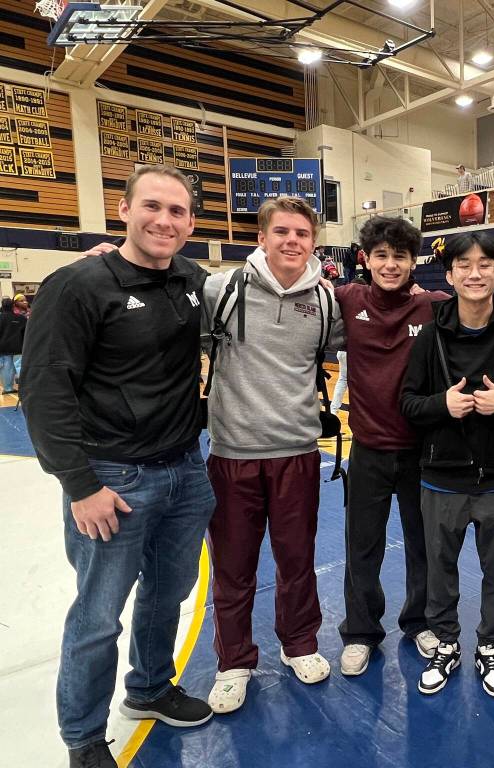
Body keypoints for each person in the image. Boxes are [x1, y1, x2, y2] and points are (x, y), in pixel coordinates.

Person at [20, 165, 215, 768]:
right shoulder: (77, 285)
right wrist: (80, 484)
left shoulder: (190, 278)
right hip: (114, 480)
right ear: (123, 208)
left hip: (185, 469)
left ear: (190, 223)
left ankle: (151, 688)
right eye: (152, 206)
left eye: (178, 212)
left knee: (167, 594)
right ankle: (82, 738)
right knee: (99, 615)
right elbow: (44, 388)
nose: (164, 220)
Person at [201, 197, 345, 713]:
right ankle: (234, 661)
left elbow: (374, 328)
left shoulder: (326, 302)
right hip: (232, 455)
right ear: (261, 237)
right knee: (234, 568)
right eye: (281, 231)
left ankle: (299, 644)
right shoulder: (222, 289)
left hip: (296, 454)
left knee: (297, 560)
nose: (291, 241)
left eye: (302, 234)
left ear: (314, 242)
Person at [400, 231, 494, 697]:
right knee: (440, 568)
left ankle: (489, 645)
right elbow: (408, 403)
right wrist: (442, 405)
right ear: (450, 275)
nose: (475, 272)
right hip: (441, 478)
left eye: (486, 264)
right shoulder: (428, 338)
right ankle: (446, 642)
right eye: (464, 264)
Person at [334, 216, 449, 676]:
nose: (389, 264)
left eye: (399, 256)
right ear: (366, 258)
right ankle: (361, 632)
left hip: (422, 452)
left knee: (423, 544)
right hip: (368, 451)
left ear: (412, 261)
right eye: (380, 255)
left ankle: (419, 621)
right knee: (363, 545)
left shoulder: (435, 306)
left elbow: (492, 309)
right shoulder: (346, 299)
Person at [0, 295, 26, 394]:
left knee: (7, 369)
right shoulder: (21, 318)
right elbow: (26, 333)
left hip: (3, 349)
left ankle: (8, 389)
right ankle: (24, 388)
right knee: (20, 367)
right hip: (19, 347)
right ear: (13, 306)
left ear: (2, 305)